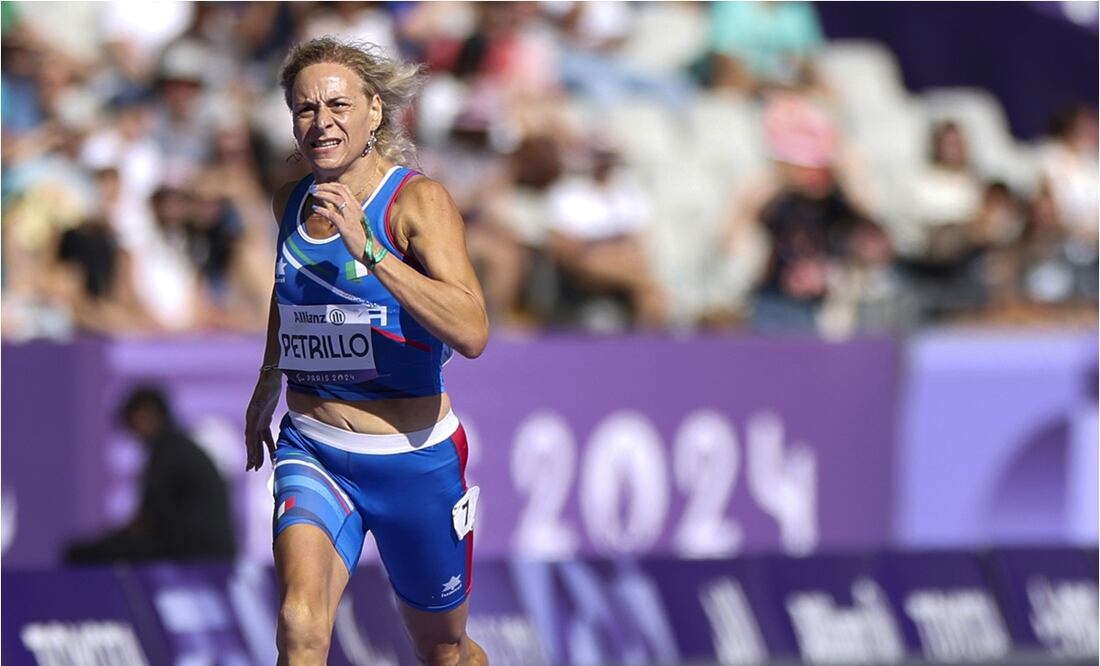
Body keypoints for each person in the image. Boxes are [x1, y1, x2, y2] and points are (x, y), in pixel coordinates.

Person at [243, 37, 490, 666]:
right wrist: (266, 389)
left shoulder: (416, 202)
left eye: (338, 105)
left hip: (411, 458)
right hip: (315, 446)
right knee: (301, 623)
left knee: (445, 650)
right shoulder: (290, 201)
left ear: (375, 111)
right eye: (304, 109)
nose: (321, 123)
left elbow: (472, 331)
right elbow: (290, 296)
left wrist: (370, 252)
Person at [66, 385, 236, 563]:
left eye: (133, 420)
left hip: (191, 552)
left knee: (80, 554)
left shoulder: (168, 453)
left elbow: (150, 522)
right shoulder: (181, 449)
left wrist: (115, 537)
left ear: (149, 414)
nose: (131, 431)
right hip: (211, 551)